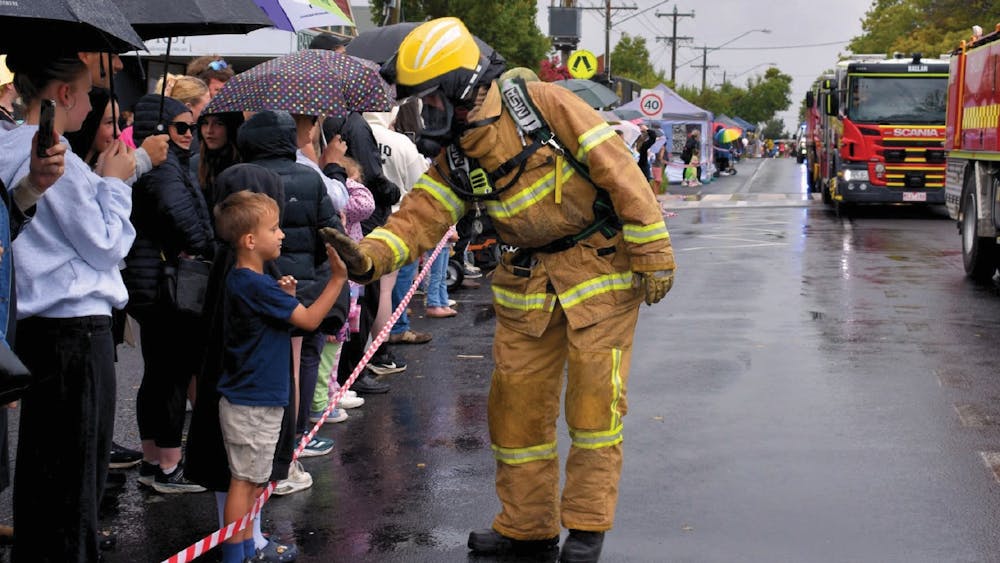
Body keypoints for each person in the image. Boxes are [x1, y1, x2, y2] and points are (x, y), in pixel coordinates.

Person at [323, 17, 675, 562]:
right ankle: (525, 526)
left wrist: (653, 251)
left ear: (461, 87)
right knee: (515, 415)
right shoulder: (459, 155)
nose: (427, 114)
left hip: (600, 275)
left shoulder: (543, 105)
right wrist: (367, 257)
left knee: (594, 409)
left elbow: (619, 170)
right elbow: (420, 216)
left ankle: (585, 528)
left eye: (432, 101)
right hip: (526, 289)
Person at [0, 47, 136, 563]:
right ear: (64, 95)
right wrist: (116, 183)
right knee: (76, 480)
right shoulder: (52, 152)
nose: (92, 106)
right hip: (75, 331)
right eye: (87, 95)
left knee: (44, 471)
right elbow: (105, 244)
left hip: (37, 325)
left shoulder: (8, 142)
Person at [213, 190, 347, 563]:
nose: (282, 234)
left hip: (256, 397)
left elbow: (271, 324)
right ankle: (236, 555)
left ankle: (242, 548)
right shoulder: (253, 284)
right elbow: (307, 320)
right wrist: (337, 280)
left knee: (253, 481)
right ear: (250, 240)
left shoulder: (250, 282)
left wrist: (282, 295)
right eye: (274, 228)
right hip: (253, 402)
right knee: (245, 481)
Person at [185, 163, 303, 561]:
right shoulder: (242, 272)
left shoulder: (235, 264)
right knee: (240, 473)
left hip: (229, 382)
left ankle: (247, 537)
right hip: (245, 388)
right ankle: (242, 544)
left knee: (242, 472)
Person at [123, 94, 214, 494]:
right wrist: (207, 244)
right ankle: (169, 465)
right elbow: (187, 223)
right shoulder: (163, 171)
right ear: (158, 130)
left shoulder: (156, 166)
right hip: (167, 284)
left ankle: (151, 459)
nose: (189, 135)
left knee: (158, 372)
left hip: (151, 282)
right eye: (180, 127)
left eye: (190, 127)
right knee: (173, 373)